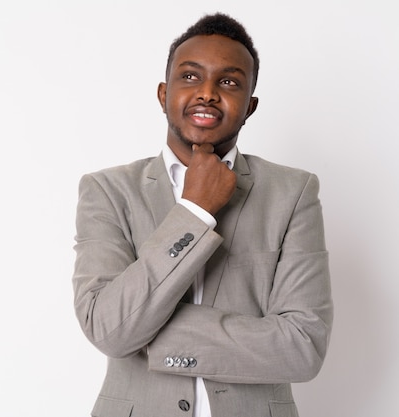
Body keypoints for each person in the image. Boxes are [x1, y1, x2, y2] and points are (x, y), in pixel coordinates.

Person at [71, 12, 333, 417]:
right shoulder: (107, 191)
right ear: (163, 94)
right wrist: (195, 210)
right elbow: (107, 329)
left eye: (228, 82)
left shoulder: (293, 192)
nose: (207, 93)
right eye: (190, 76)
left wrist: (141, 327)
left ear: (250, 106)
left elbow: (303, 347)